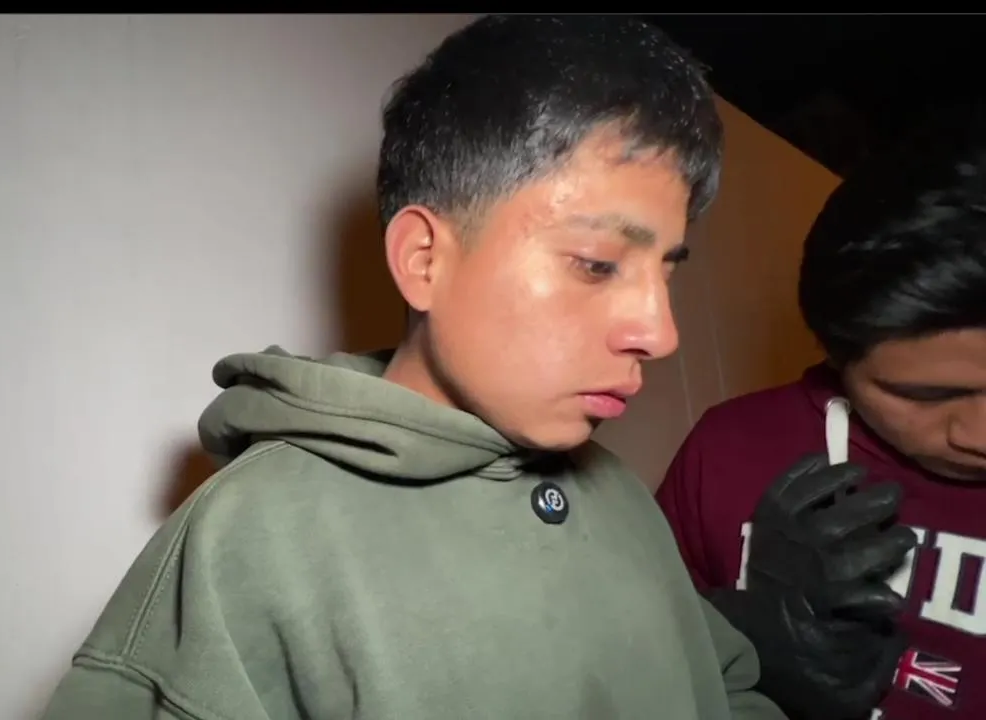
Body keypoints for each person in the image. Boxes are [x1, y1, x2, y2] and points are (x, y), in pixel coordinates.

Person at [41, 15, 785, 719]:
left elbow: (725, 688)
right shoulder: (247, 539)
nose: (660, 332)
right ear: (425, 259)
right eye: (596, 263)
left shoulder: (620, 495)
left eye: (668, 271)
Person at [656, 112, 986, 720]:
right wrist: (740, 647)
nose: (978, 435)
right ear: (835, 353)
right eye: (926, 396)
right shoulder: (729, 451)